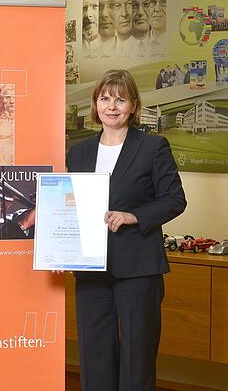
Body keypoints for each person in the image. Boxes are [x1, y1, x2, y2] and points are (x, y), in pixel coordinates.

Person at [66, 69, 186, 391]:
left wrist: (133, 216)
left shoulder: (153, 147)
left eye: (120, 99)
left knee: (137, 356)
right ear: (96, 104)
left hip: (137, 268)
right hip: (91, 268)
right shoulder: (78, 152)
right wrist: (60, 247)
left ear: (133, 105)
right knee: (94, 354)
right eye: (105, 98)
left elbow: (175, 200)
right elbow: (71, 207)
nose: (112, 106)